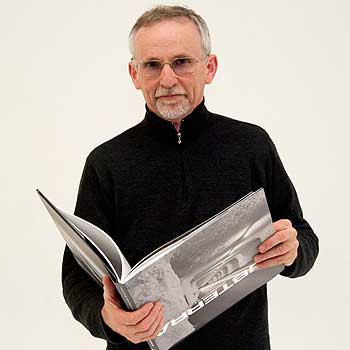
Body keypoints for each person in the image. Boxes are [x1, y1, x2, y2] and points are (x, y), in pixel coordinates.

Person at [62, 5, 319, 350]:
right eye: (152, 65)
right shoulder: (105, 162)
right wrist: (108, 319)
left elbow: (304, 239)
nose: (167, 80)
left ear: (209, 68)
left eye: (182, 62)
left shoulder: (252, 145)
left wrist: (292, 251)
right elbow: (76, 277)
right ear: (134, 75)